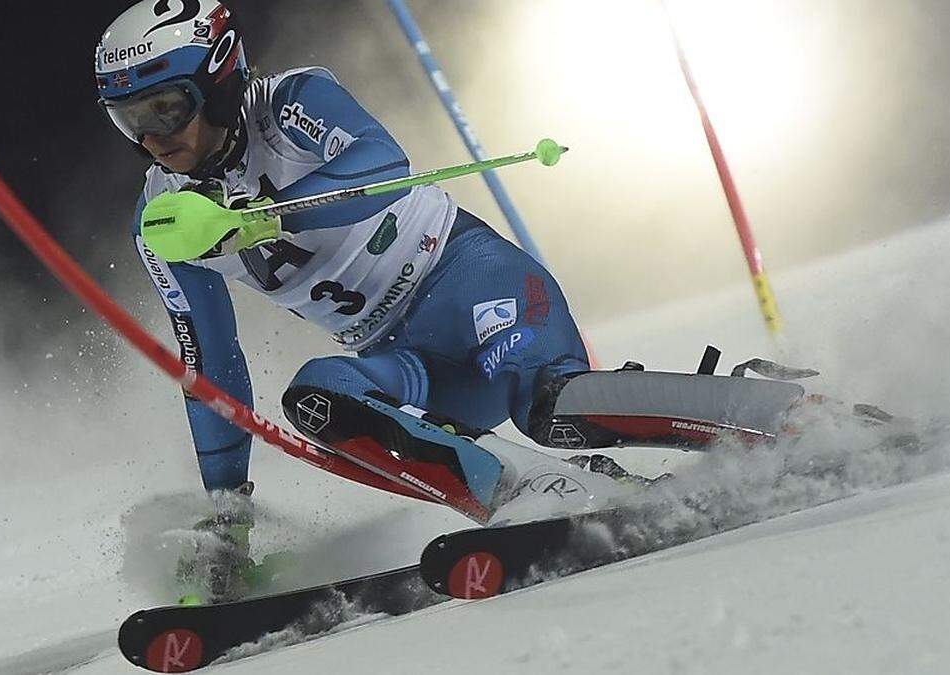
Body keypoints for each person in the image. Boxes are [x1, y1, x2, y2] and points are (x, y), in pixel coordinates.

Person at [94, 1, 804, 601]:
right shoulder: (161, 220)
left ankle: (776, 414)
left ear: (218, 82)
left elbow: (382, 162)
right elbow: (211, 363)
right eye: (130, 122)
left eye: (167, 107)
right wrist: (227, 512)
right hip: (410, 359)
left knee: (552, 406)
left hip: (469, 281)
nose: (155, 139)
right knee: (314, 399)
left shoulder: (289, 104)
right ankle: (531, 489)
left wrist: (264, 215)